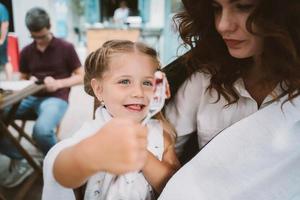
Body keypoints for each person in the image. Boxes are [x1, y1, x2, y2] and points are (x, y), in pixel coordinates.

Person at [157, 0, 300, 199]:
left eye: (243, 6)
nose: (223, 25)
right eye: (216, 8)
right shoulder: (204, 80)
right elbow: (157, 150)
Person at [42, 40, 180, 200]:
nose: (138, 92)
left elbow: (175, 186)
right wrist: (90, 154)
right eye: (125, 81)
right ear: (99, 90)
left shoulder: (160, 134)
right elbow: (61, 171)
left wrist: (142, 155)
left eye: (147, 83)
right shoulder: (92, 134)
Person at [0, 7, 83, 188]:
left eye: (43, 36)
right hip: (30, 96)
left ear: (49, 26)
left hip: (56, 97)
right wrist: (27, 80)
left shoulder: (65, 47)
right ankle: (22, 158)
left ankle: (58, 165)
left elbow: (82, 76)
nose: (39, 41)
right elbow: (22, 77)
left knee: (42, 131)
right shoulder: (27, 51)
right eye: (35, 37)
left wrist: (59, 83)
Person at [0, 3, 13, 80]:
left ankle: (10, 81)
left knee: (5, 60)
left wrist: (2, 39)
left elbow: (5, 24)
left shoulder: (1, 8)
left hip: (0, 40)